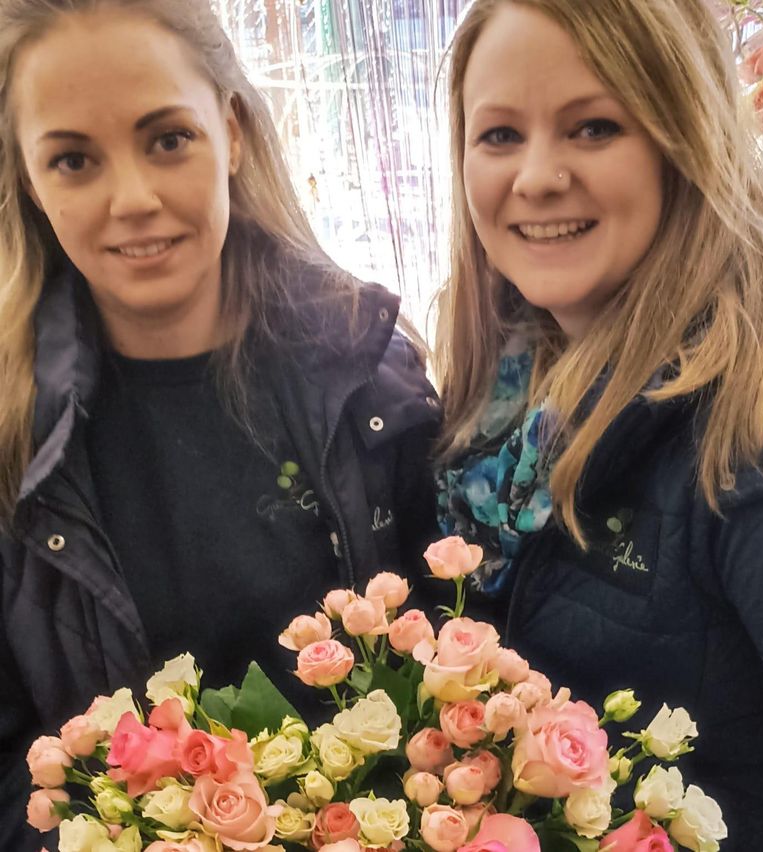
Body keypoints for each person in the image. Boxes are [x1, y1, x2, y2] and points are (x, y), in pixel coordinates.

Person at [0, 0, 440, 846]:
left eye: (168, 139)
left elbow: (462, 688)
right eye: (73, 160)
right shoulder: (12, 441)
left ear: (231, 132)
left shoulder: (372, 383)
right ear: (27, 179)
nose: (133, 198)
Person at [434, 1, 763, 849]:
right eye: (501, 135)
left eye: (593, 128)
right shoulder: (501, 387)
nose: (539, 176)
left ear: (683, 141)